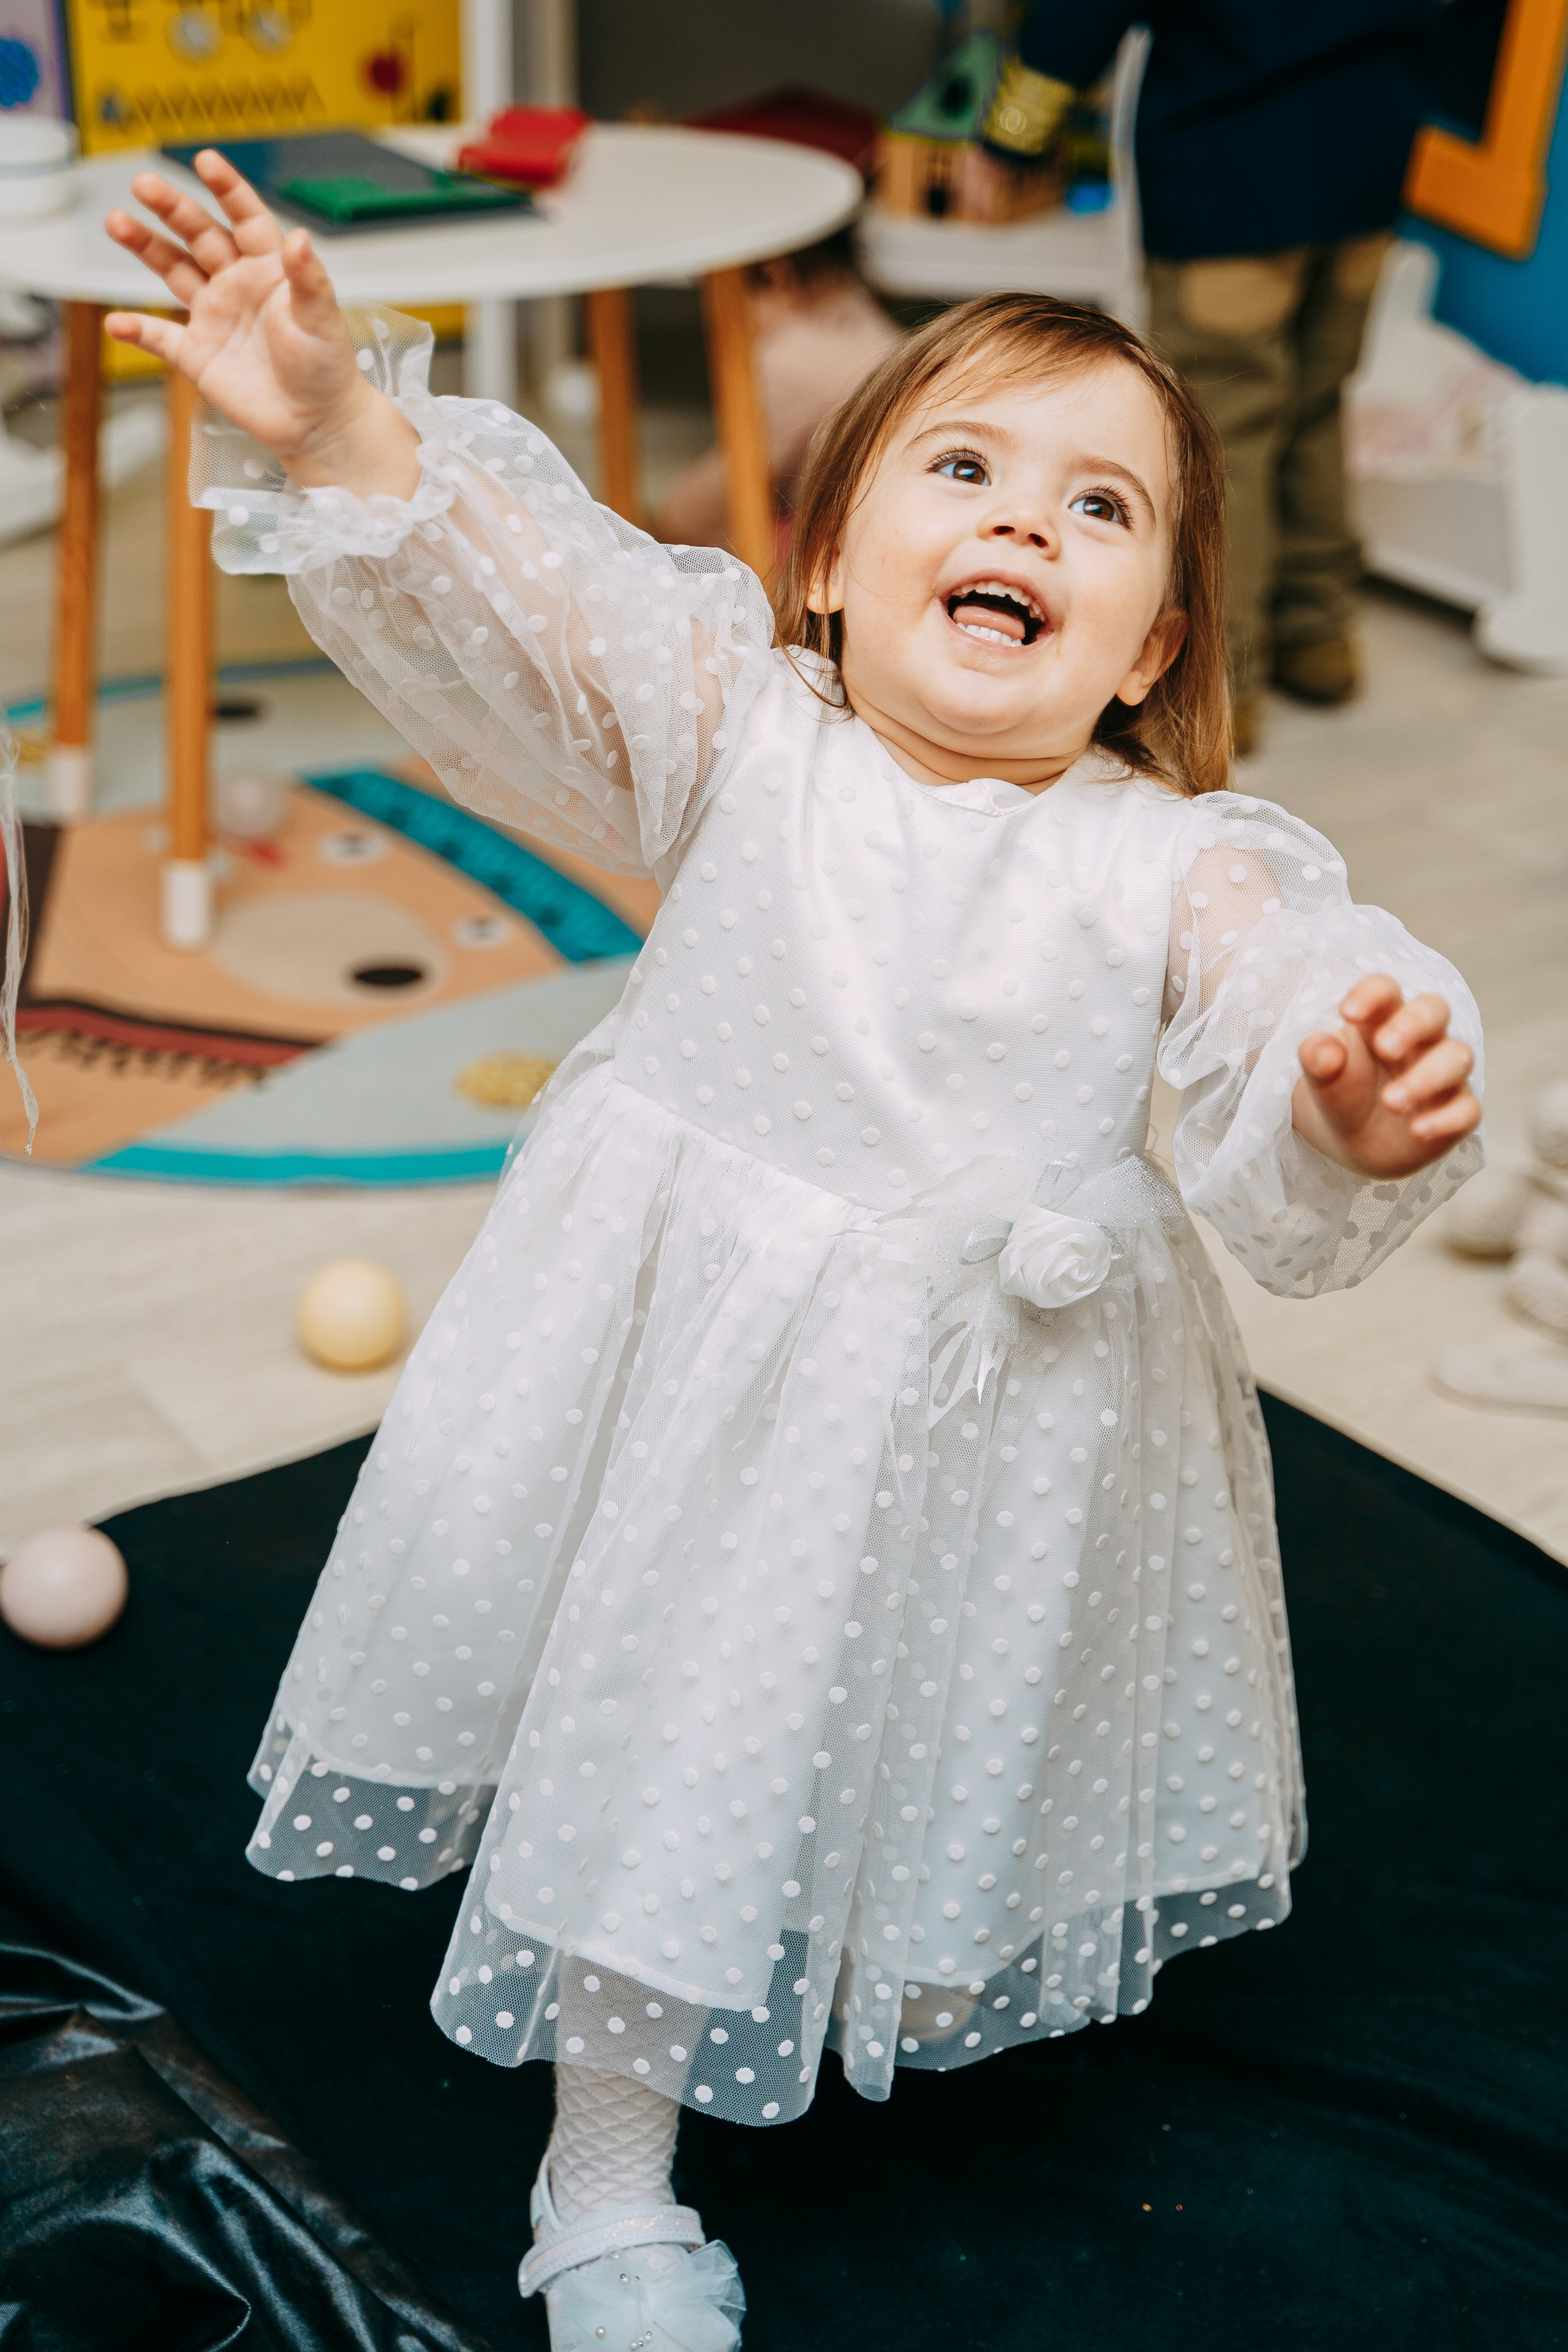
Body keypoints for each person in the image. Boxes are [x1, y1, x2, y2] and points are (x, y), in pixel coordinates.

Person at [105, 152, 1483, 2352]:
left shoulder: (1165, 857)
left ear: (1149, 645)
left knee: (922, 1715)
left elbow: (1277, 977)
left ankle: (872, 1944)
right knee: (672, 1733)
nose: (1025, 523)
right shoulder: (741, 730)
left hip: (994, 1415)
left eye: (1098, 507)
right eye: (965, 469)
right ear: (828, 561)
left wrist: (1347, 1080)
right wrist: (344, 420)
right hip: (705, 1376)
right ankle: (601, 2173)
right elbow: (538, 590)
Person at [984, 1, 1442, 749]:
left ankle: (1221, 682)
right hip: (1371, 152)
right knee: (1315, 401)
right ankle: (1316, 631)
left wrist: (1013, 130)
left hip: (1233, 167)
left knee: (1222, 433)